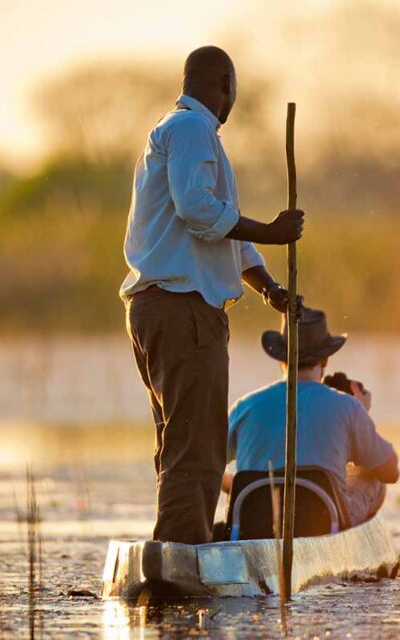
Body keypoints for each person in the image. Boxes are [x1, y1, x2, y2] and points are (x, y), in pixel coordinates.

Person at [121, 46, 305, 545]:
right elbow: (198, 211)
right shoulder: (190, 129)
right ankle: (183, 556)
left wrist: (268, 286)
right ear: (225, 84)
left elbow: (226, 233)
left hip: (164, 307)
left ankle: (180, 550)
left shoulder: (184, 132)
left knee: (181, 439)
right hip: (182, 309)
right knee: (197, 445)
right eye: (234, 89)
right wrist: (272, 231)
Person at [225, 308, 400, 527]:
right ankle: (348, 543)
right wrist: (361, 413)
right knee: (372, 476)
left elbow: (207, 469)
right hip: (323, 524)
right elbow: (390, 472)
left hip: (254, 524)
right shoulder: (348, 407)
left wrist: (237, 488)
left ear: (280, 358)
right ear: (325, 360)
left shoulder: (245, 406)